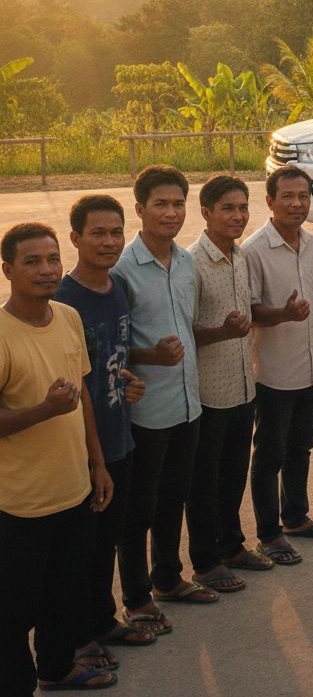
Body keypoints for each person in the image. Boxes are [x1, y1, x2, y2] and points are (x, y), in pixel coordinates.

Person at [1, 222, 116, 694]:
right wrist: (44, 410)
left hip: (73, 489)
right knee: (14, 610)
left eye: (52, 259)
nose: (46, 269)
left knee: (64, 594)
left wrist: (97, 464)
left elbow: (82, 394)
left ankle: (56, 668)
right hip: (20, 503)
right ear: (7, 270)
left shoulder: (67, 317)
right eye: (32, 261)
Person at [113, 165, 215, 635]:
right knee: (140, 507)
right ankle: (136, 599)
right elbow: (114, 346)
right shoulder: (122, 271)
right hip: (147, 408)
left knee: (174, 496)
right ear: (140, 208)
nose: (171, 213)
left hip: (188, 401)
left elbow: (188, 327)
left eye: (178, 204)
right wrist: (150, 356)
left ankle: (168, 580)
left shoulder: (187, 262)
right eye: (161, 204)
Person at [55, 196, 151, 671]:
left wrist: (129, 381)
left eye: (116, 232)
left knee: (106, 540)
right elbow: (70, 386)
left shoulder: (117, 288)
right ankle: (76, 639)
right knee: (79, 550)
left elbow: (115, 356)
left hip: (119, 436)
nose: (110, 242)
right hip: (81, 448)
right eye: (98, 233)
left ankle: (102, 620)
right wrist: (93, 460)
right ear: (75, 238)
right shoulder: (63, 301)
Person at [244, 166, 313, 567]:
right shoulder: (253, 250)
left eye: (303, 196)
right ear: (270, 201)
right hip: (274, 371)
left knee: (301, 447)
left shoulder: (312, 243)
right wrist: (282, 313)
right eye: (288, 196)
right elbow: (249, 311)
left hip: (312, 366)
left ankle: (296, 517)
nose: (297, 204)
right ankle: (269, 534)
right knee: (270, 454)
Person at [186, 176, 273, 593]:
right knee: (205, 481)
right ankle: (205, 562)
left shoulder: (240, 255)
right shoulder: (192, 264)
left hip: (243, 385)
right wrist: (222, 331)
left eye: (243, 208)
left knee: (234, 474)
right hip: (209, 392)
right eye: (228, 208)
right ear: (206, 212)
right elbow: (185, 331)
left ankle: (232, 546)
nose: (238, 216)